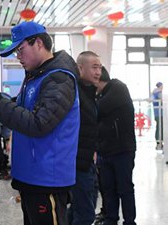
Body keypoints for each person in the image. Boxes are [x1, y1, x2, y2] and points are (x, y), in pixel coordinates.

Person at [0, 21, 80, 225]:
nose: (18, 57)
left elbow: (38, 124)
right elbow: (20, 109)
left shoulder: (58, 79)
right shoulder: (36, 77)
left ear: (39, 43)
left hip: (47, 178)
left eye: (21, 50)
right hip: (32, 175)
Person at [95, 66, 137, 225]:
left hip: (123, 150)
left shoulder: (117, 87)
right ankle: (111, 219)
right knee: (108, 188)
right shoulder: (100, 95)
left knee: (124, 188)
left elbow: (97, 110)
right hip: (105, 151)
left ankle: (129, 221)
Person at [67, 51, 101, 225]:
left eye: (100, 68)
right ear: (80, 68)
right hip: (78, 164)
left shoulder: (88, 93)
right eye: (94, 67)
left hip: (86, 162)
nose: (98, 72)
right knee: (85, 215)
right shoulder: (74, 93)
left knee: (77, 210)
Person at [152, 82, 163, 150]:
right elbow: (162, 100)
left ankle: (159, 142)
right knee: (160, 128)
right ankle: (159, 143)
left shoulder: (154, 93)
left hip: (157, 114)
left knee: (159, 127)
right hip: (160, 114)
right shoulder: (158, 93)